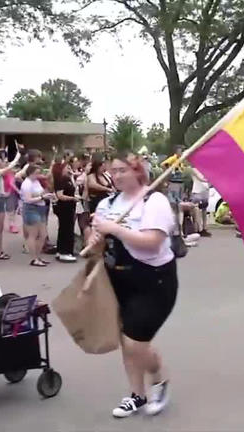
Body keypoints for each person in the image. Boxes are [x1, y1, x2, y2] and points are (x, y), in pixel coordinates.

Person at [89, 152, 176, 418]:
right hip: (118, 279)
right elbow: (96, 238)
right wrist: (94, 236)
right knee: (127, 342)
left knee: (136, 342)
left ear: (138, 171)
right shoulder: (108, 203)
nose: (115, 176)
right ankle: (136, 395)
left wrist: (114, 229)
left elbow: (152, 241)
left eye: (121, 170)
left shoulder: (154, 200)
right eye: (112, 171)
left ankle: (159, 381)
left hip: (154, 280)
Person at [0, 152, 22, 260]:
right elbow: (10, 167)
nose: (3, 164)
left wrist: (4, 193)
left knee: (0, 228)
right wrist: (18, 155)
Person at [21, 165, 54, 267]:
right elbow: (27, 199)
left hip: (40, 207)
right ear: (31, 173)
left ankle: (38, 256)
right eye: (37, 173)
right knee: (33, 235)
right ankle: (34, 258)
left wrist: (47, 193)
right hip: (31, 209)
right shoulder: (26, 184)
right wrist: (42, 197)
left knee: (43, 234)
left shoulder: (36, 182)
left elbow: (40, 192)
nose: (39, 175)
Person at [53, 161, 78, 262]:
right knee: (66, 229)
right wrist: (72, 198)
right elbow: (60, 196)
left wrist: (72, 176)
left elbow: (74, 187)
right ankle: (65, 251)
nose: (69, 169)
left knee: (65, 228)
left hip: (70, 207)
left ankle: (61, 250)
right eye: (67, 168)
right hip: (64, 207)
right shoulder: (60, 180)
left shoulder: (68, 179)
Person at [189, 167, 212, 237]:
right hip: (197, 191)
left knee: (204, 210)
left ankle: (204, 228)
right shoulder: (193, 169)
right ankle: (198, 228)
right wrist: (210, 180)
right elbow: (200, 179)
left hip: (205, 190)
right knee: (197, 210)